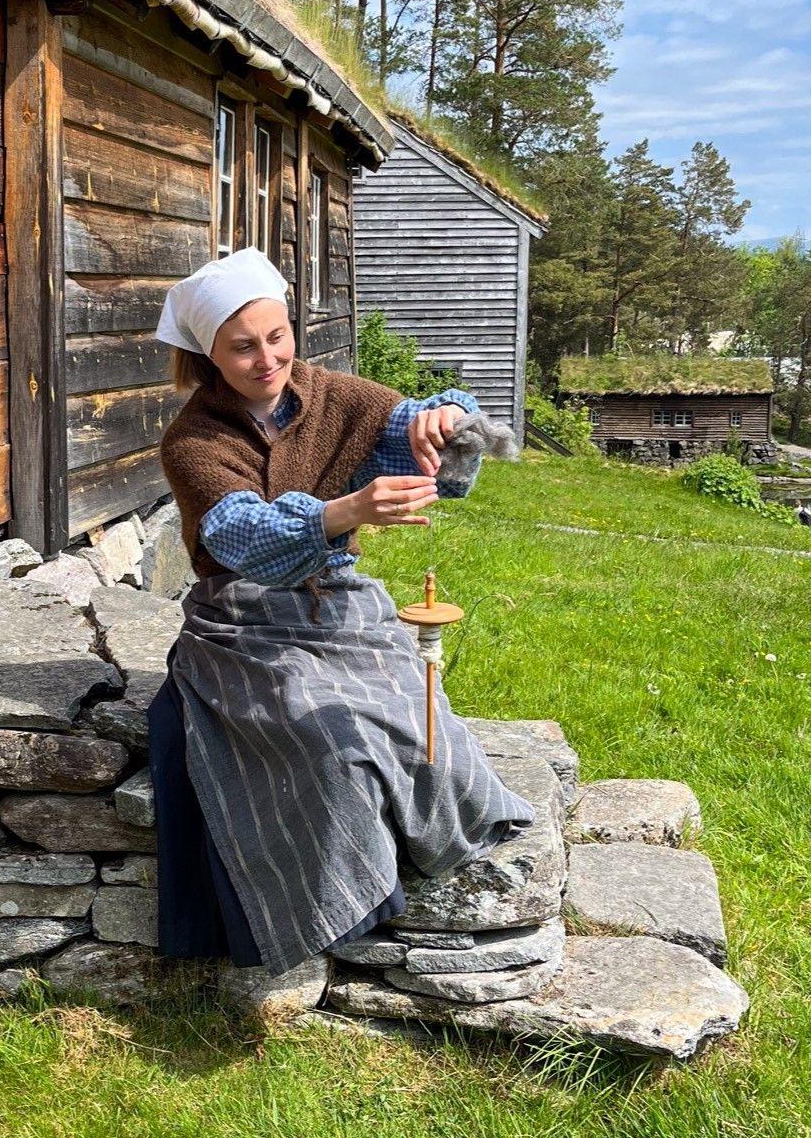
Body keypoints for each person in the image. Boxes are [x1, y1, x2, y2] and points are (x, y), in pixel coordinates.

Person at [147, 247, 535, 978]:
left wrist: (448, 420)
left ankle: (437, 847)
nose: (268, 358)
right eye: (243, 346)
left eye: (278, 336)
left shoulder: (337, 397)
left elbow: (415, 426)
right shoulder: (192, 441)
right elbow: (239, 539)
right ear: (209, 354)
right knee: (323, 735)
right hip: (241, 625)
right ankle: (336, 903)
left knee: (412, 721)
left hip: (340, 605)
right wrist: (347, 510)